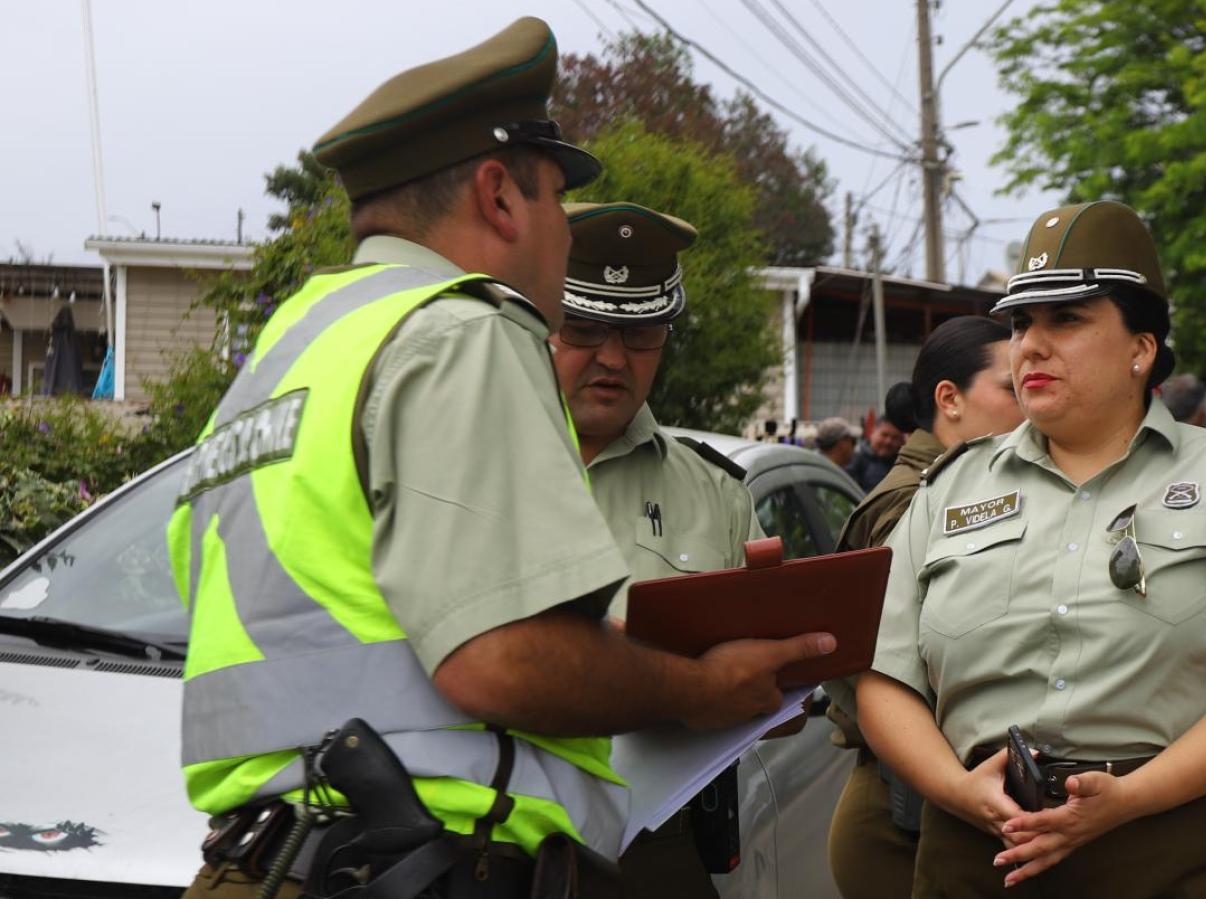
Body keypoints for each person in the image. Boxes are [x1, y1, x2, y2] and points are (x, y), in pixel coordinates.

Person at [167, 21, 835, 898]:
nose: (564, 231)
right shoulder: (462, 330)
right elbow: (501, 658)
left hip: (263, 860)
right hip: (412, 863)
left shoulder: (283, 356)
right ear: (500, 196)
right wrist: (696, 687)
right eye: (556, 197)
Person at [856, 201, 1206, 896]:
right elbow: (883, 677)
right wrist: (957, 789)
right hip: (982, 848)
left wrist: (1131, 796)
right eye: (1021, 323)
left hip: (1175, 846)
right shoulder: (949, 487)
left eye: (1066, 319)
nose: (1031, 345)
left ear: (1140, 348)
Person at [550, 201, 774, 897]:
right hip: (484, 842)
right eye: (584, 327)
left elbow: (766, 683)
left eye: (640, 332)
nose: (613, 357)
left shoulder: (717, 493)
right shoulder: (464, 466)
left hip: (653, 846)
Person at [825, 316, 1023, 899]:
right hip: (904, 815)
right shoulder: (916, 504)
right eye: (1011, 388)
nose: (1032, 403)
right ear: (949, 399)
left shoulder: (973, 488)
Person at [847, 418, 907, 491]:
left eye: (895, 438)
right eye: (884, 435)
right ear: (873, 432)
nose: (888, 442)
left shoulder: (903, 465)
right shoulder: (853, 459)